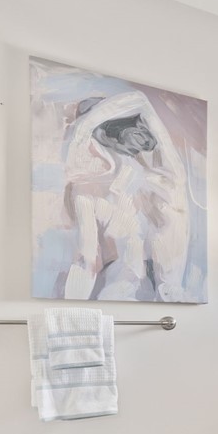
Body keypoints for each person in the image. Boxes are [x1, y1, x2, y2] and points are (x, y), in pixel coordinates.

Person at [62, 91, 189, 302]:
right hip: (124, 298)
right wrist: (67, 310)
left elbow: (141, 99)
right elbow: (87, 261)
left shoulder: (168, 179)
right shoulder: (91, 193)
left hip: (167, 302)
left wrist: (81, 128)